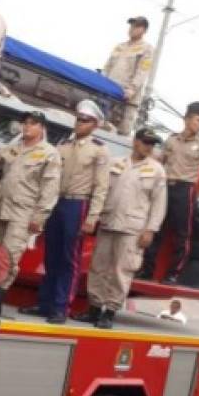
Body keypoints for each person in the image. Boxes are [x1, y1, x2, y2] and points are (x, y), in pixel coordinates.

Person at [22, 100, 109, 323]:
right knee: (51, 255)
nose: (80, 123)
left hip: (77, 204)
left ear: (95, 124)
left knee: (69, 259)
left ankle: (61, 307)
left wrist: (93, 217)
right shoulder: (62, 144)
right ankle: (45, 303)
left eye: (86, 120)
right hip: (56, 202)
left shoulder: (99, 150)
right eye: (78, 119)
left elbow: (101, 187)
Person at [0, 110, 61, 317]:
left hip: (23, 212)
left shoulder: (49, 153)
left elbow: (50, 188)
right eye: (25, 123)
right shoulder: (14, 149)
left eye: (33, 123)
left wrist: (40, 217)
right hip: (1, 209)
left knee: (10, 257)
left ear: (42, 128)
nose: (27, 126)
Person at [75, 128, 166, 329]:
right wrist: (94, 216)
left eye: (152, 144)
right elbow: (101, 191)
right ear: (135, 142)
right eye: (146, 142)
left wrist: (150, 229)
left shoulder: (157, 170)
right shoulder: (116, 163)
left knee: (121, 271)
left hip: (133, 228)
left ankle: (110, 311)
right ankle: (94, 309)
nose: (149, 147)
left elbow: (159, 204)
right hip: (108, 222)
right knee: (98, 267)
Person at [137, 101, 199, 283]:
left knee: (182, 234)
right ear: (187, 119)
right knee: (155, 228)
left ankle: (173, 274)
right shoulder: (172, 139)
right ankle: (147, 270)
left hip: (186, 189)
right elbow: (159, 159)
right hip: (166, 186)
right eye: (198, 120)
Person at [103, 16, 154, 135]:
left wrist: (132, 89)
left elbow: (143, 71)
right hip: (109, 94)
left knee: (121, 132)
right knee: (103, 127)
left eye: (136, 26)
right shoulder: (120, 46)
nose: (132, 29)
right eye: (131, 26)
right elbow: (107, 67)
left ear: (144, 30)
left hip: (127, 98)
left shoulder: (146, 48)